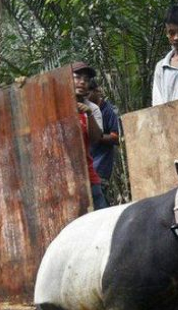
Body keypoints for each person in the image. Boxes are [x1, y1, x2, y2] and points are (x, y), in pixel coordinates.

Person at [71, 61, 108, 210]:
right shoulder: (56, 106)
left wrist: (88, 114)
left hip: (88, 175)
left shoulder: (93, 109)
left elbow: (95, 139)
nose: (82, 82)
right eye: (77, 77)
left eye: (86, 80)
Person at [87, 80, 120, 205]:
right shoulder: (84, 110)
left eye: (88, 93)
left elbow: (116, 137)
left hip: (100, 167)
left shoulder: (107, 110)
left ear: (97, 92)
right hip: (88, 168)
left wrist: (96, 135)